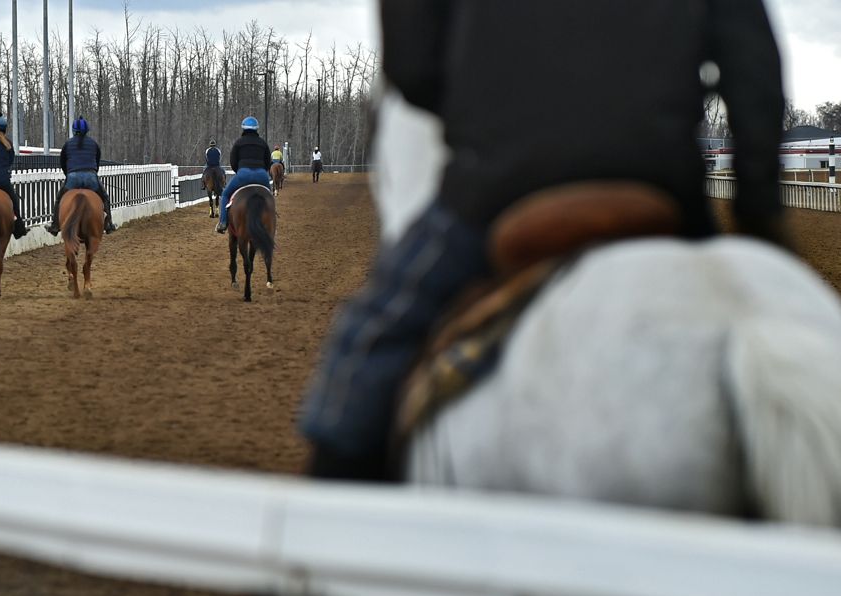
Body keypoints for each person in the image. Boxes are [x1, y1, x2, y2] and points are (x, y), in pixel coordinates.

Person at [298, 0, 787, 481]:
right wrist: (758, 213)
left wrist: (484, 116)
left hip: (498, 185)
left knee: (369, 345)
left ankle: (330, 512)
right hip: (662, 180)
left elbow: (412, 62)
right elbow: (754, 64)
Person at [45, 116, 116, 236]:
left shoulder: (67, 144)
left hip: (73, 177)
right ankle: (109, 224)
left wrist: (68, 174)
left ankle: (55, 226)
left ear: (73, 130)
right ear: (87, 130)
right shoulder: (93, 143)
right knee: (105, 197)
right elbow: (97, 161)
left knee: (59, 199)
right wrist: (93, 172)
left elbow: (63, 162)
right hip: (90, 177)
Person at [215, 116, 272, 234]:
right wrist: (262, 171)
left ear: (243, 128)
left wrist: (239, 171)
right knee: (269, 197)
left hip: (243, 174)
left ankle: (223, 223)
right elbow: (268, 161)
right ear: (256, 129)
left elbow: (233, 161)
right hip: (261, 175)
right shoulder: (263, 143)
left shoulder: (239, 143)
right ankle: (271, 224)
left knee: (225, 194)